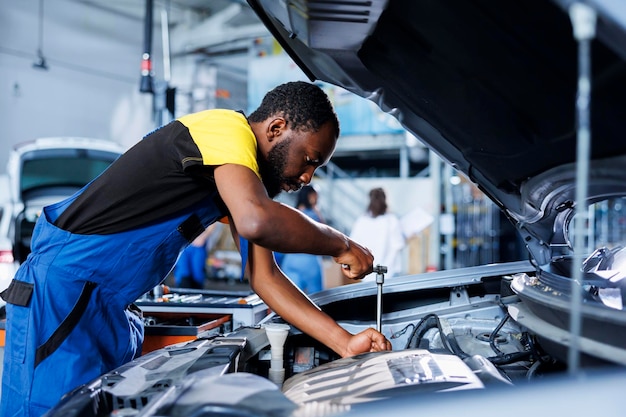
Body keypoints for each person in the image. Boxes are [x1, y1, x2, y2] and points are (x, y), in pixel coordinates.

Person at [0, 81, 391, 416]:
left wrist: (343, 341)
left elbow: (264, 277)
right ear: (276, 127)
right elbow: (258, 221)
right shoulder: (225, 130)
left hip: (104, 307)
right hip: (61, 297)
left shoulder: (242, 177)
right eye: (309, 160)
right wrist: (339, 243)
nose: (307, 177)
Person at [350, 187, 406, 281]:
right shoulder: (391, 220)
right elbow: (398, 245)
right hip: (389, 273)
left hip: (367, 274)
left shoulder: (361, 221)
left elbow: (353, 244)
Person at [278, 185, 325, 294]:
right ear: (311, 196)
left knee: (292, 298)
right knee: (317, 300)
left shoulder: (289, 213)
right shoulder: (313, 215)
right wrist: (315, 208)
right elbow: (325, 233)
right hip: (310, 262)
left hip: (290, 262)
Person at [173, 222, 220, 288]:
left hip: (198, 243)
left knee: (197, 274)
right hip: (183, 242)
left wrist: (203, 237)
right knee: (183, 273)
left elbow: (213, 223)